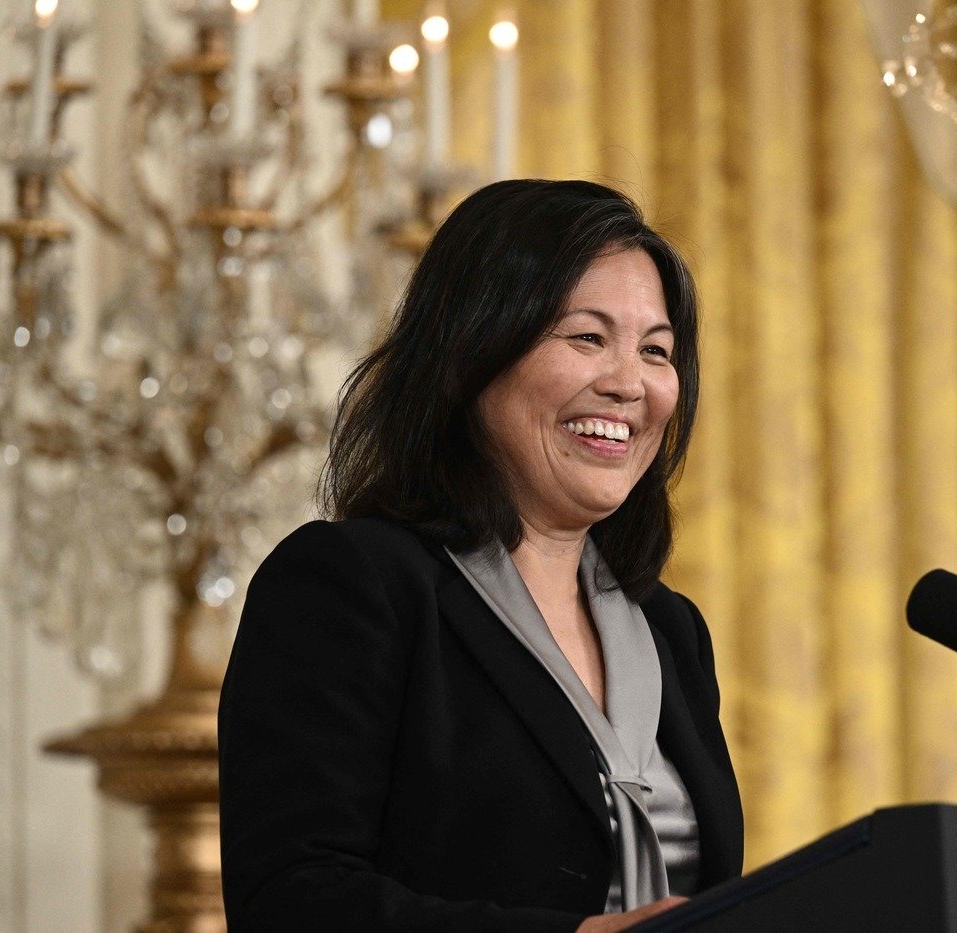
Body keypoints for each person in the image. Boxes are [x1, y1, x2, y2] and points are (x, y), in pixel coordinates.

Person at [218, 179, 744, 932]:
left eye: (656, 351)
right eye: (587, 337)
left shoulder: (670, 632)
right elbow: (292, 899)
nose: (631, 384)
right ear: (473, 352)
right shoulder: (351, 583)